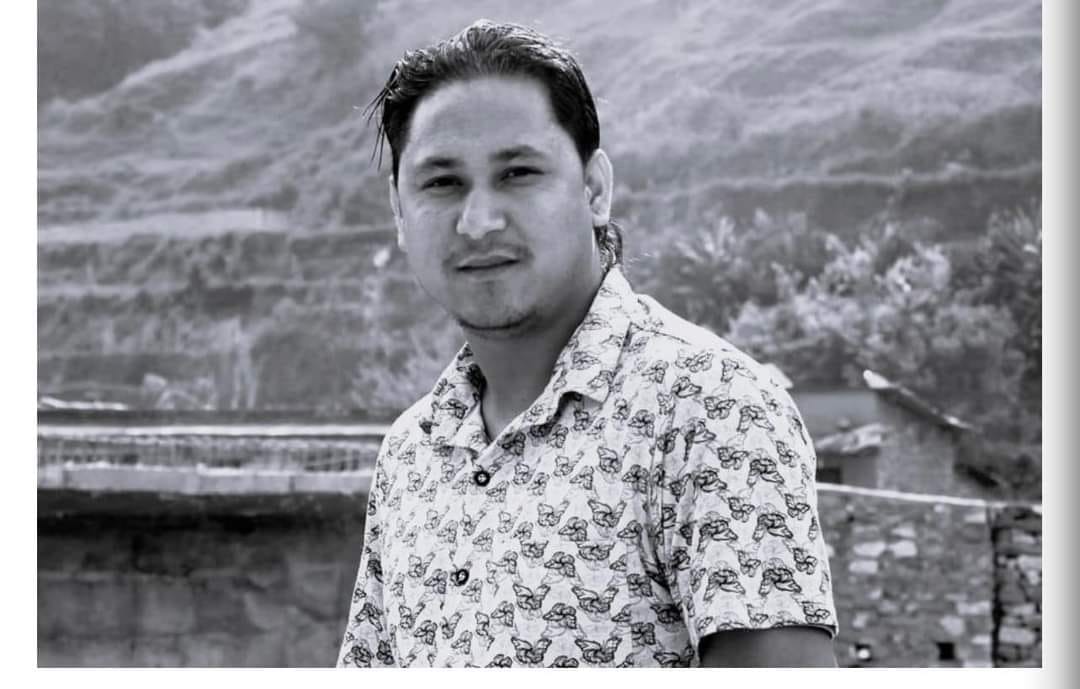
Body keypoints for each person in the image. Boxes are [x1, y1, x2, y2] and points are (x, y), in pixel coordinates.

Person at [337, 19, 837, 668]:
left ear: (595, 189)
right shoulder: (411, 454)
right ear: (400, 214)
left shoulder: (709, 409)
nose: (479, 221)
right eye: (442, 183)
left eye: (518, 172)